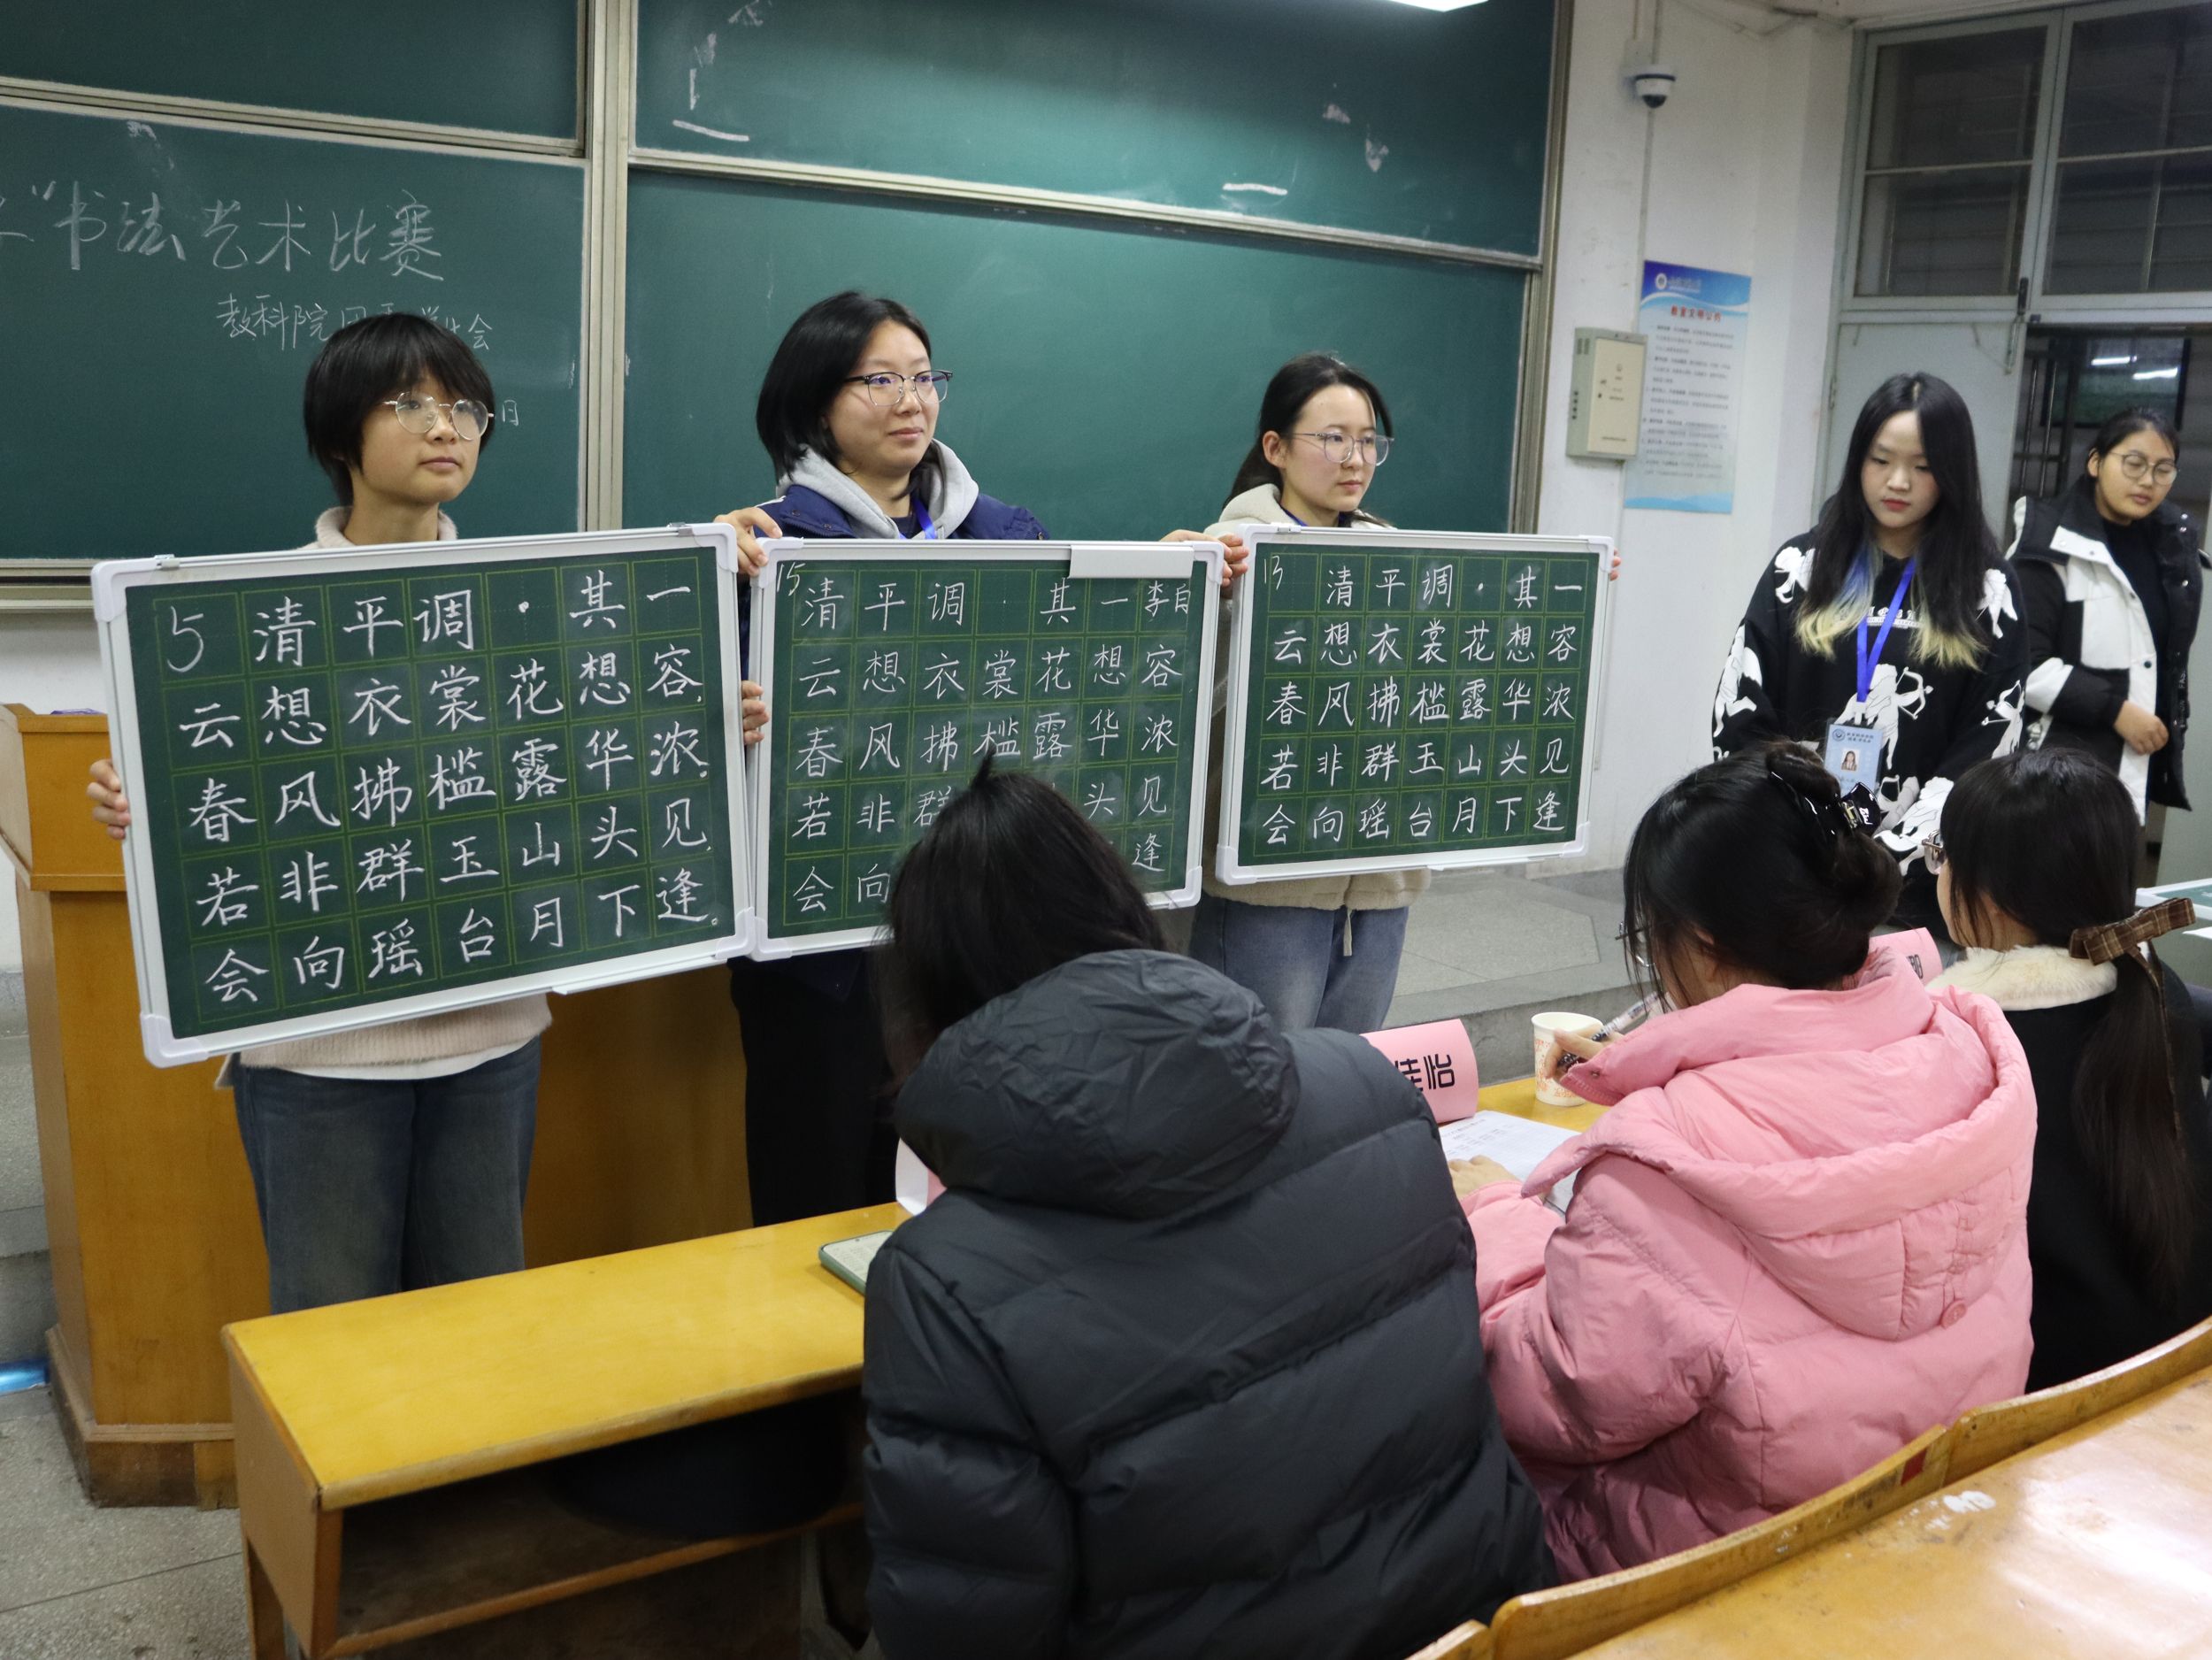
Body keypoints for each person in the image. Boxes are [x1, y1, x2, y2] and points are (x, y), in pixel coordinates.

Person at [859, 757, 1552, 1659]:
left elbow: (964, 1633)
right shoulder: (1369, 1088)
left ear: (930, 997)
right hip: (1483, 1629)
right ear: (1123, 914)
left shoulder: (941, 1280)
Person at [726, 290, 1243, 1225]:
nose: (910, 400)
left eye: (925, 377)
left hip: (977, 917)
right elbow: (691, 730)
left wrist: (1169, 584)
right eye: (878, 380)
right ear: (815, 404)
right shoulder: (760, 548)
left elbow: (1069, 689)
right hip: (824, 946)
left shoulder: (1004, 535)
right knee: (819, 1185)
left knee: (972, 1175)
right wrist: (732, 706)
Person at [1457, 743, 2034, 1579]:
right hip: (1933, 1523)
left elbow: (1553, 1397)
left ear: (1702, 947)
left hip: (1714, 1570)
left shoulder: (1672, 1160)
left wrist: (1495, 1218)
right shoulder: (1966, 1056)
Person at [1931, 748, 2212, 1389]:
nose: (1937, 871)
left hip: (2050, 1379)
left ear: (1993, 898)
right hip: (2179, 1342)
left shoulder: (1973, 1040)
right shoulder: (2151, 984)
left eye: (1942, 855)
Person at [1714, 373, 2029, 942]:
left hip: (1922, 894)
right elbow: (1741, 711)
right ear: (1858, 459)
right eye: (1881, 460)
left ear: (1953, 473)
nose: (1898, 481)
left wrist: (1885, 859)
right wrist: (1804, 836)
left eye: (1923, 467)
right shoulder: (1800, 568)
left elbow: (1989, 743)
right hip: (1795, 873)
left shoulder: (1987, 589)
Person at [1186, 353, 1415, 1033]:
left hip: (1378, 875)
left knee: (1347, 1068)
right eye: (1333, 438)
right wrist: (1189, 586)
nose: (1355, 459)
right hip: (1272, 874)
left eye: (1368, 441)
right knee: (1263, 1066)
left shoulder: (1403, 558)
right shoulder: (1225, 554)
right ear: (1275, 448)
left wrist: (1570, 588)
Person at [2008, 408, 2204, 835]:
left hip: (2129, 772)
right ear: (2096, 462)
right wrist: (2115, 709)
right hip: (2052, 774)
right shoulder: (2048, 541)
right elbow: (2022, 663)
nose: (2148, 480)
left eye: (2163, 469)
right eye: (2134, 463)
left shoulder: (2171, 550)